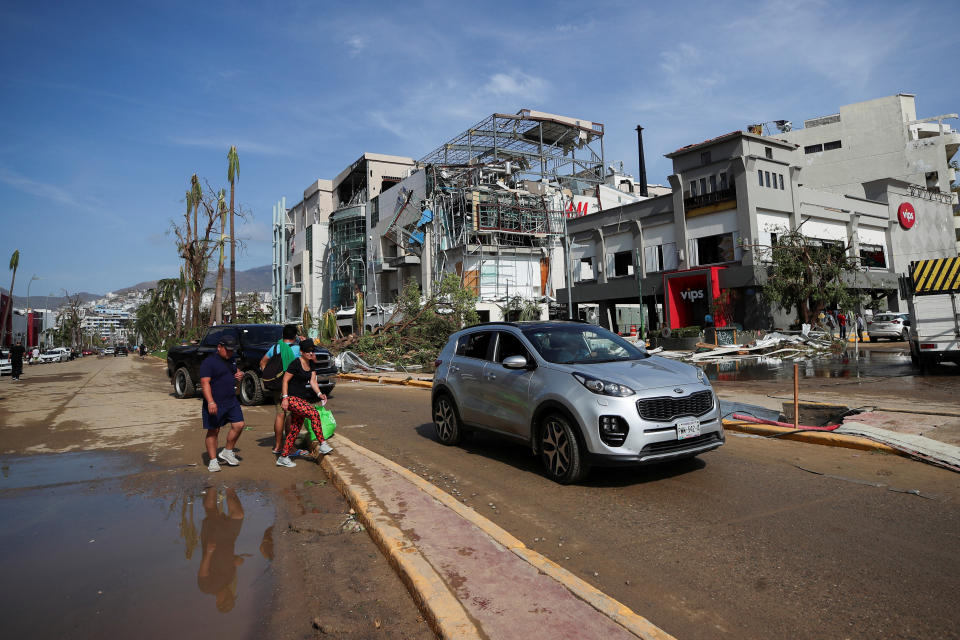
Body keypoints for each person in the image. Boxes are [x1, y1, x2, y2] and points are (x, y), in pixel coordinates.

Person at [277, 339, 332, 468]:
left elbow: (313, 381)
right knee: (314, 414)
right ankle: (322, 444)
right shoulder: (295, 364)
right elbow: (285, 381)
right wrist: (285, 398)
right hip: (291, 398)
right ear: (301, 352)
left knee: (295, 429)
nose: (310, 353)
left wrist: (320, 394)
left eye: (312, 351)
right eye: (308, 351)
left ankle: (283, 457)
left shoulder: (311, 364)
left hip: (301, 399)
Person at [199, 335, 245, 472]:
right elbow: (204, 383)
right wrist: (210, 402)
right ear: (219, 347)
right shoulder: (209, 362)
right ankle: (213, 460)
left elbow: (233, 374)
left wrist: (239, 375)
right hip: (215, 402)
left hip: (231, 400)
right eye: (228, 350)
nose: (230, 353)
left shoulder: (231, 360)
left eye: (232, 350)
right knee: (214, 430)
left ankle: (227, 451)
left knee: (239, 425)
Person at [197, 487, 245, 613]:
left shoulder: (207, 588)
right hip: (229, 540)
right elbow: (231, 561)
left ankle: (212, 483)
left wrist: (208, 553)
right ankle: (229, 485)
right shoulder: (229, 579)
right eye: (231, 595)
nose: (229, 593)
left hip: (214, 543)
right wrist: (237, 560)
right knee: (238, 514)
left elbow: (203, 572)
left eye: (227, 597)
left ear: (219, 601)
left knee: (212, 511)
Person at [258, 324, 300, 456]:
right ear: (295, 336)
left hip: (276, 386)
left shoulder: (275, 347)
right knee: (290, 416)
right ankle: (290, 446)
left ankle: (277, 446)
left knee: (280, 414)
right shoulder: (297, 349)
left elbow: (262, 362)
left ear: (283, 335)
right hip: (290, 386)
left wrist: (271, 377)